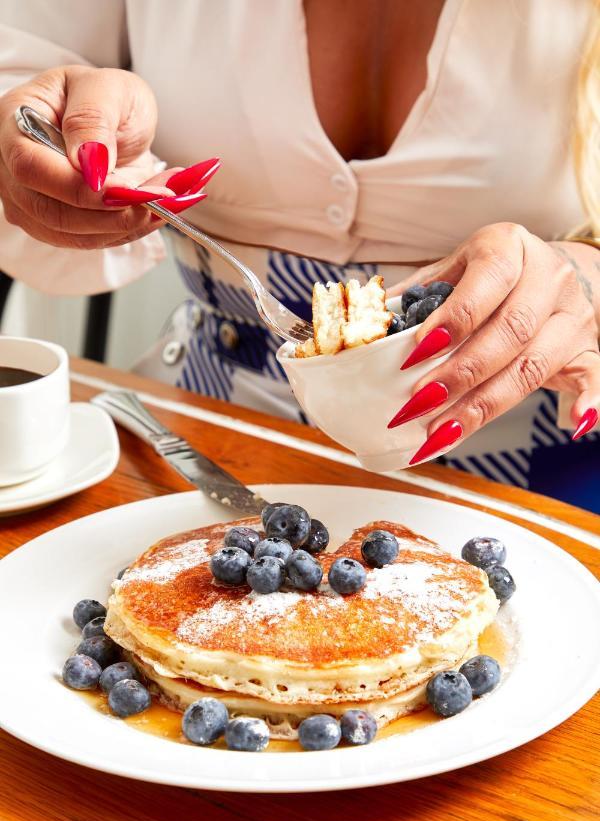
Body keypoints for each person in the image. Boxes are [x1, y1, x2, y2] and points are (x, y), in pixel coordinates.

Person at [0, 1, 598, 511]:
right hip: (213, 422)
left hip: (536, 456)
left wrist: (585, 276)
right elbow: (18, 57)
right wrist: (38, 125)